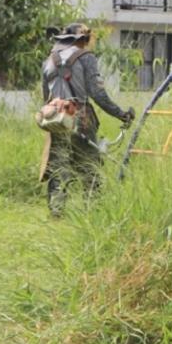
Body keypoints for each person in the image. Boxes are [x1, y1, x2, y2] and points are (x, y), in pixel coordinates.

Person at [40, 23, 134, 216]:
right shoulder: (86, 57)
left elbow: (45, 97)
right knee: (90, 167)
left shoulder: (49, 60)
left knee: (58, 167)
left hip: (54, 119)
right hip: (80, 118)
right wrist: (121, 114)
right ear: (82, 39)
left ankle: (56, 213)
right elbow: (97, 94)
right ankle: (93, 213)